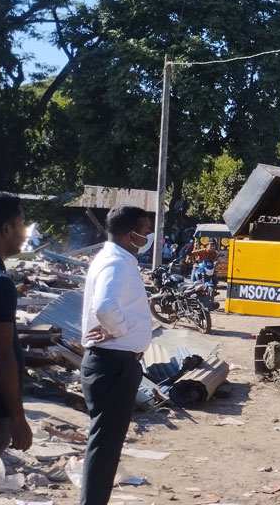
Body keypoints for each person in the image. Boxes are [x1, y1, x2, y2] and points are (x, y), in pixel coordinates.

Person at [79, 205, 153, 505]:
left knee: (105, 445)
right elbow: (104, 306)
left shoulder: (118, 259)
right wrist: (118, 330)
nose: (148, 237)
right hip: (113, 364)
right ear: (129, 234)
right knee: (105, 446)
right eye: (145, 232)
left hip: (114, 364)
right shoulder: (116, 263)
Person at [0, 192, 33, 490]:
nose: (25, 230)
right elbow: (0, 357)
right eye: (22, 222)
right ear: (6, 229)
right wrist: (17, 417)